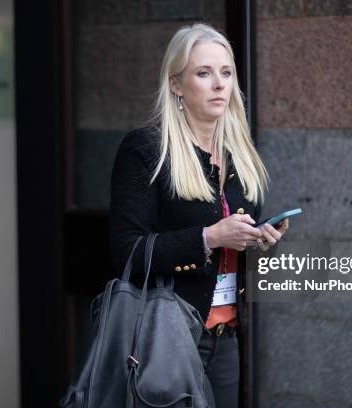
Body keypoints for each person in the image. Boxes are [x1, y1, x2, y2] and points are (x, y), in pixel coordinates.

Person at [109, 22, 289, 408]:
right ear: (176, 84)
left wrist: (259, 240)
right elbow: (127, 251)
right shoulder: (147, 150)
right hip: (167, 337)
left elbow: (232, 247)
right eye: (203, 73)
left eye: (226, 73)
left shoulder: (240, 155)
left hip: (226, 337)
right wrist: (209, 237)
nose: (219, 84)